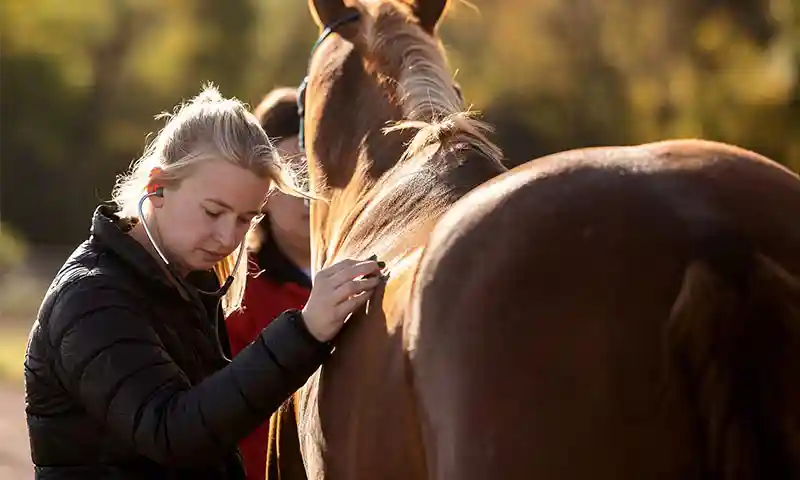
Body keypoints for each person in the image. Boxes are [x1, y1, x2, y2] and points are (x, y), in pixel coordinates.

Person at [24, 83, 384, 479]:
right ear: (156, 188)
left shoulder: (181, 278)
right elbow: (173, 434)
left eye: (246, 219)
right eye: (214, 212)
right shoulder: (91, 297)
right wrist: (305, 332)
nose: (229, 238)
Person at [223, 87, 312, 480]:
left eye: (323, 172)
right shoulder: (231, 289)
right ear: (264, 191)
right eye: (296, 174)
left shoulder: (380, 281)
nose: (310, 193)